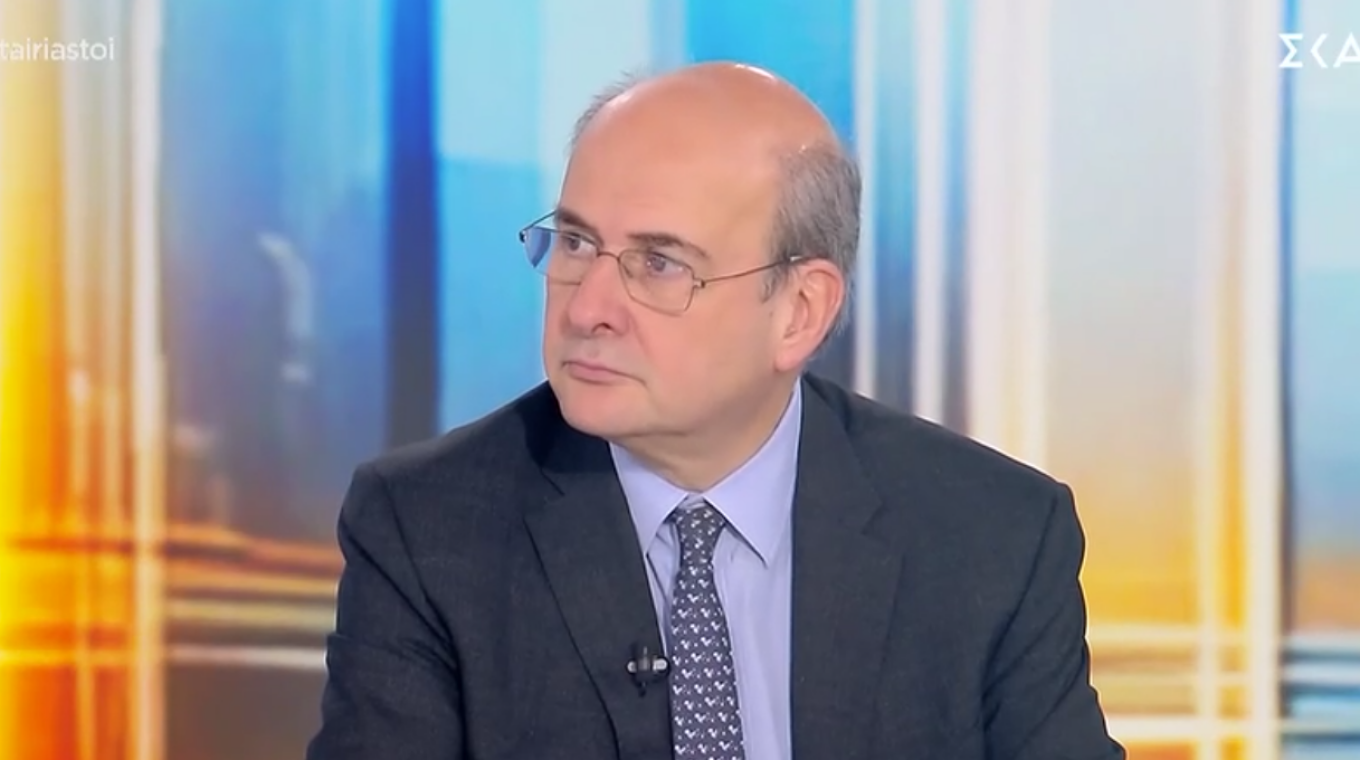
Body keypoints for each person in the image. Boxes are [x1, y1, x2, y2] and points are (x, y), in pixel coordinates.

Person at [305, 61, 1126, 760]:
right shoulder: (427, 531)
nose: (587, 307)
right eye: (578, 243)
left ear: (799, 311)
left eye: (659, 263)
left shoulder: (993, 538)